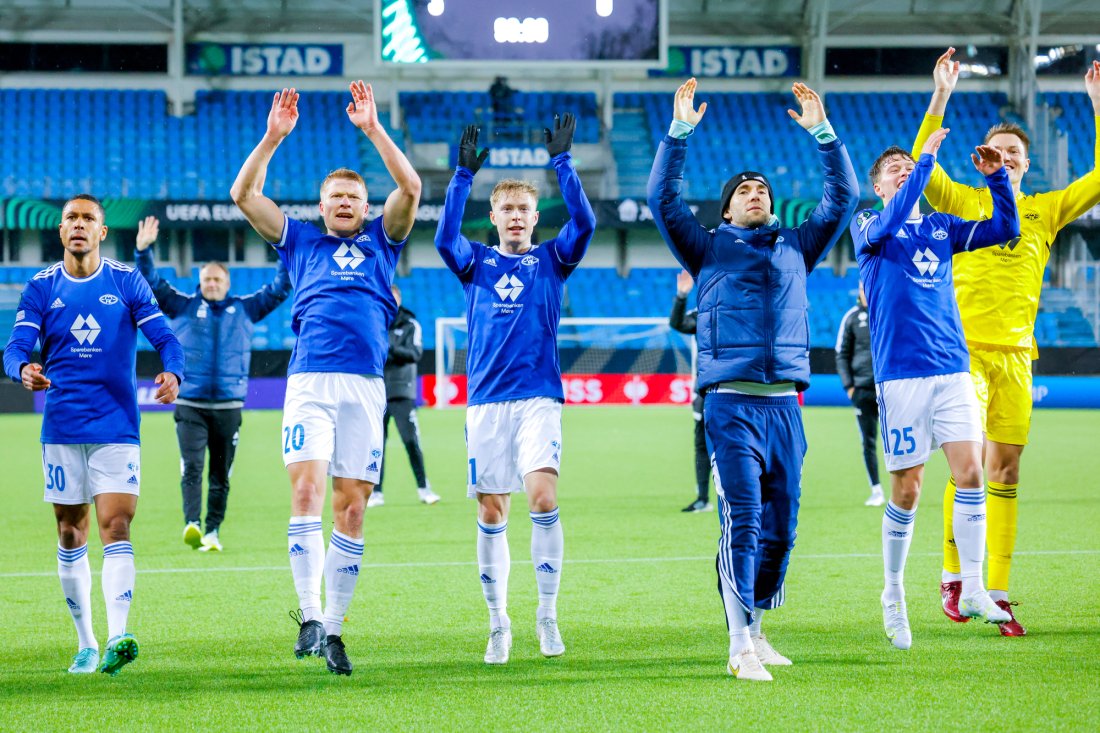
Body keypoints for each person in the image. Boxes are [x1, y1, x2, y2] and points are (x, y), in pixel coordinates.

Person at [648, 78, 859, 681]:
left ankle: (759, 628)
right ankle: (738, 642)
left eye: (762, 188)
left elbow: (841, 197)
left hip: (786, 407)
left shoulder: (799, 245)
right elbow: (663, 199)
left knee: (782, 525)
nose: (755, 193)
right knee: (743, 517)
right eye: (744, 190)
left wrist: (824, 134)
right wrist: (679, 133)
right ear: (726, 208)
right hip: (731, 404)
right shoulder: (706, 248)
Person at [230, 82, 421, 676]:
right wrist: (272, 138)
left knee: (353, 510)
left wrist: (372, 129)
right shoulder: (300, 241)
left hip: (365, 387)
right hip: (310, 382)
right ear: (321, 207)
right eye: (335, 196)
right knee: (308, 495)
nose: (344, 203)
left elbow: (411, 187)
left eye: (353, 197)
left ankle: (335, 630)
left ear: (365, 208)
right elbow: (243, 194)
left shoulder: (382, 243)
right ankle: (310, 616)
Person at [914, 50, 1100, 636]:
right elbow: (923, 165)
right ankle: (953, 575)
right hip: (962, 352)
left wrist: (1097, 105)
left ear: (1023, 165)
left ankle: (995, 589)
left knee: (1008, 471)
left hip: (1017, 358)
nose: (1008, 158)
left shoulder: (1044, 212)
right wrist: (941, 94)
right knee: (967, 464)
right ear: (985, 159)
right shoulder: (965, 202)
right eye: (998, 151)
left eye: (1016, 153)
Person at [435, 114, 595, 665]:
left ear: (534, 216)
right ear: (494, 215)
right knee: (492, 513)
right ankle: (497, 621)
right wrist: (461, 175)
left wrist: (563, 163)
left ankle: (547, 616)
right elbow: (443, 237)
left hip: (538, 398)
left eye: (525, 209)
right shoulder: (474, 262)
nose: (517, 217)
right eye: (507, 209)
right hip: (486, 402)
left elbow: (586, 222)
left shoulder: (551, 259)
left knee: (543, 498)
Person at [853, 129, 1020, 651]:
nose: (905, 171)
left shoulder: (943, 227)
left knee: (971, 472)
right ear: (879, 186)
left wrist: (996, 177)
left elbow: (1005, 228)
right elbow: (896, 214)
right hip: (901, 375)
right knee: (909, 488)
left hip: (951, 368)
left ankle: (972, 588)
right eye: (894, 170)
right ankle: (893, 594)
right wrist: (924, 161)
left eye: (910, 166)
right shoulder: (869, 225)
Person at [3, 194, 184, 676]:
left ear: (102, 232)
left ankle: (118, 635)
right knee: (70, 532)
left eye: (88, 219)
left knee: (116, 526)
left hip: (117, 426)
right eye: (71, 219)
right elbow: (16, 344)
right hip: (62, 426)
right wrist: (22, 366)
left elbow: (165, 336)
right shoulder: (41, 287)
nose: (79, 225)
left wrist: (173, 373)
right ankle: (85, 642)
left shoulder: (126, 281)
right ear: (61, 232)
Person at [134, 215, 292, 552]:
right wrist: (142, 251)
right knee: (192, 467)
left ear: (227, 282)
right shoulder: (183, 306)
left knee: (221, 476)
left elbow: (280, 289)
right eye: (207, 279)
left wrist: (285, 250)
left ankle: (213, 531)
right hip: (190, 403)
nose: (212, 284)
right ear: (200, 281)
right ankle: (192, 523)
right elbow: (150, 283)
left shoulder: (246, 309)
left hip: (229, 406)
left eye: (218, 279)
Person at [368, 283, 440, 508]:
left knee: (411, 441)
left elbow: (414, 353)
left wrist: (389, 349)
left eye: (394, 296)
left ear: (398, 298)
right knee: (376, 444)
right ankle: (375, 492)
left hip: (402, 391)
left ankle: (424, 488)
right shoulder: (372, 321)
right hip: (375, 391)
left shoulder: (410, 324)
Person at [834, 282, 883, 507]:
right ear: (860, 291)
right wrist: (849, 387)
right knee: (868, 441)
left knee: (898, 439)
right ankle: (876, 489)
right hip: (862, 390)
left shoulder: (886, 310)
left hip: (888, 389)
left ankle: (905, 487)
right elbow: (841, 354)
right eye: (864, 288)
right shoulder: (852, 318)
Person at [669, 269, 712, 512]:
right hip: (704, 393)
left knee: (735, 446)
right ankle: (703, 498)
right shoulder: (703, 315)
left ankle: (748, 499)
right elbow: (677, 323)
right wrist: (681, 295)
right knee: (701, 445)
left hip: (732, 391)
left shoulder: (734, 312)